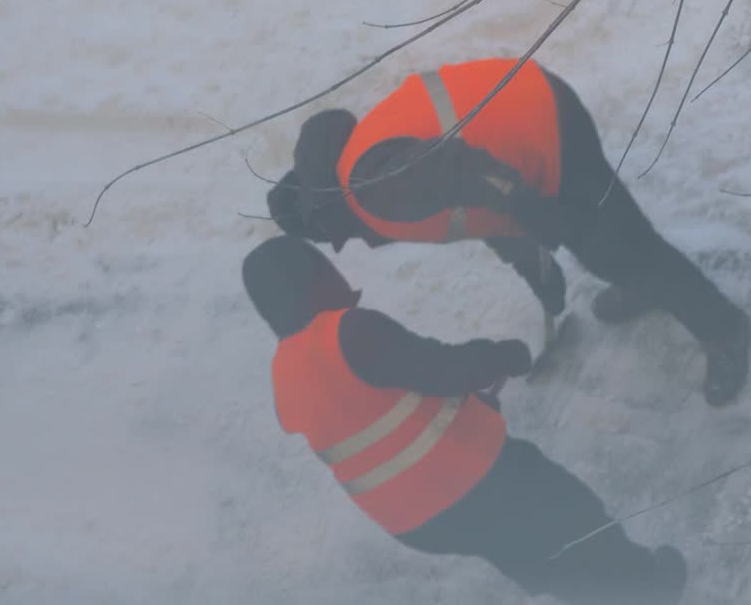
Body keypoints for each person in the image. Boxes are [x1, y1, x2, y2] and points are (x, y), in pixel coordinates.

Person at [265, 57, 751, 407]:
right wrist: (535, 264)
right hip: (527, 104)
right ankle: (640, 284)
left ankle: (725, 330)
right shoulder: (362, 168)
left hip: (541, 123)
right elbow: (464, 204)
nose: (344, 244)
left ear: (323, 220)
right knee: (601, 244)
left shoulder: (370, 187)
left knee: (619, 246)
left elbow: (465, 171)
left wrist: (532, 208)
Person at [241, 235, 686, 605]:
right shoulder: (347, 331)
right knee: (573, 514)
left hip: (417, 524)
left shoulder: (286, 376)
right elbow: (440, 369)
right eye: (325, 266)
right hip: (472, 483)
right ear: (314, 278)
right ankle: (650, 585)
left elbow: (376, 416)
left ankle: (582, 592)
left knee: (521, 550)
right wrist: (499, 355)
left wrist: (470, 409)